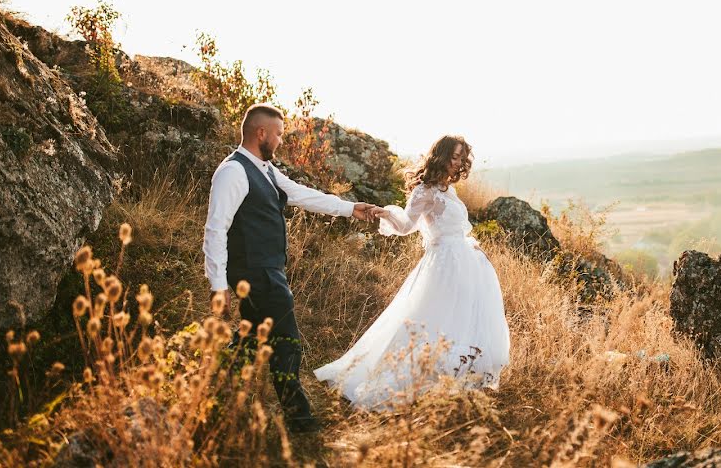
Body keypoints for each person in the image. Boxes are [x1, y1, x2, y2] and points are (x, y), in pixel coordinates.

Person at [203, 103, 379, 432]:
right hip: (256, 274)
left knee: (251, 338)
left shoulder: (267, 169)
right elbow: (215, 230)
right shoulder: (233, 172)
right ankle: (301, 420)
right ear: (261, 133)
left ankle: (211, 389)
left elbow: (300, 194)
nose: (282, 140)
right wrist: (218, 286)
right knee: (288, 342)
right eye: (279, 135)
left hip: (269, 270)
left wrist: (351, 208)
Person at [314, 135, 511, 410]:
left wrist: (475, 250)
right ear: (440, 155)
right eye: (453, 156)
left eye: (461, 158)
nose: (457, 163)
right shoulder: (425, 191)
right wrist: (386, 214)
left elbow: (458, 228)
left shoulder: (447, 189)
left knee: (463, 319)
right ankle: (411, 380)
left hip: (465, 263)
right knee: (432, 321)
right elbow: (407, 225)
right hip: (443, 266)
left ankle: (458, 382)